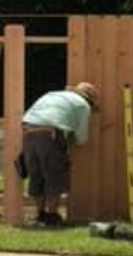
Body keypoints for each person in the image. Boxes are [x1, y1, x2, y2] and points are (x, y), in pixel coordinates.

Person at [19, 82, 100, 226]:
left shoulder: (52, 94)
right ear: (89, 100)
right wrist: (71, 143)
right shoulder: (83, 105)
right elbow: (81, 137)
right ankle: (52, 216)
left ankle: (40, 215)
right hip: (50, 135)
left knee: (36, 176)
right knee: (54, 176)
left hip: (27, 133)